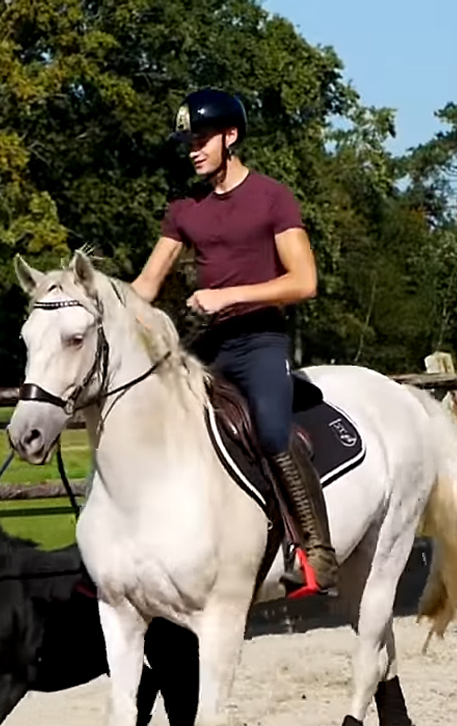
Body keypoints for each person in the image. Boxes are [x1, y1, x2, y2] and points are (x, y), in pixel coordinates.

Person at [130, 86, 338, 596]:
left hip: (260, 341)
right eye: (189, 142)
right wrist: (92, 303)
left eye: (201, 139)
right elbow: (147, 286)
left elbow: (304, 281)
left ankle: (316, 552)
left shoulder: (272, 197)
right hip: (210, 347)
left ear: (231, 135)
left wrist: (228, 296)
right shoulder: (184, 209)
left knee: (270, 429)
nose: (193, 149)